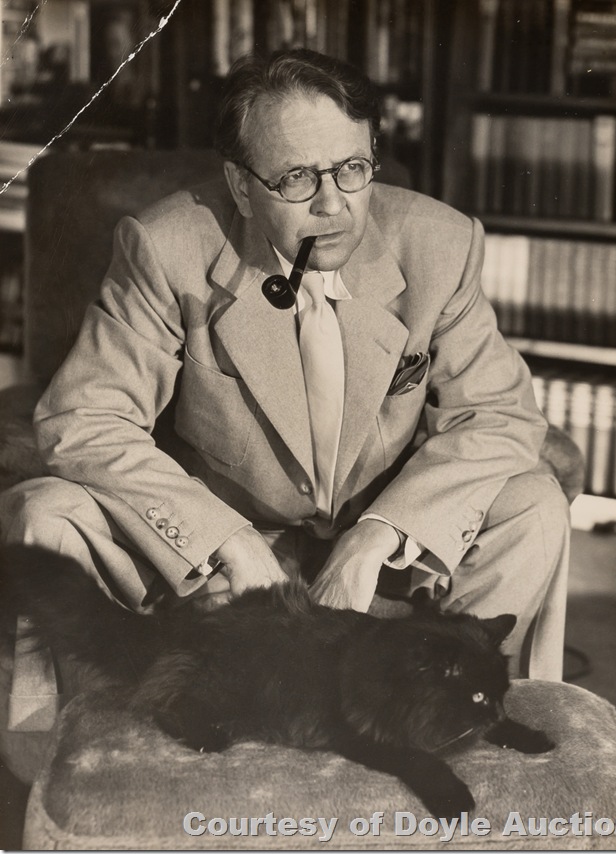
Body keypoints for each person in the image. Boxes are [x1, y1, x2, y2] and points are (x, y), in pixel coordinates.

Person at [0, 48, 570, 681]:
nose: (334, 205)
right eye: (297, 178)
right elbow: (81, 418)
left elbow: (499, 414)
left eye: (352, 168)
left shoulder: (442, 243)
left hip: (380, 540)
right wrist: (222, 540)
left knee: (535, 503)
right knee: (44, 510)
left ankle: (470, 716)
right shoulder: (165, 248)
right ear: (242, 187)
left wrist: (379, 535)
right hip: (221, 550)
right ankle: (71, 753)